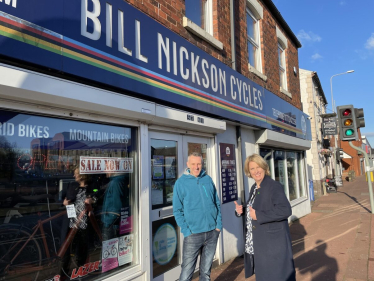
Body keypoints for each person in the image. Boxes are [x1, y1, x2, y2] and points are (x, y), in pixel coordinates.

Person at [234, 154, 295, 281]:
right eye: (252, 169)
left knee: (275, 276)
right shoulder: (254, 187)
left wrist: (259, 215)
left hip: (272, 245)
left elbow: (285, 210)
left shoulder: (273, 186)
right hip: (260, 243)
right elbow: (256, 208)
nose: (256, 171)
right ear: (248, 172)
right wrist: (242, 210)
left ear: (264, 168)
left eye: (258, 167)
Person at [173, 152, 222, 281]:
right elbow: (177, 211)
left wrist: (218, 226)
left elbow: (216, 203)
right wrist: (187, 231)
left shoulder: (208, 179)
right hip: (193, 235)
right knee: (186, 275)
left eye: (199, 164)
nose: (196, 167)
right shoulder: (181, 183)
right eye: (193, 164)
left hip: (212, 233)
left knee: (205, 274)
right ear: (188, 164)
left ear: (202, 164)